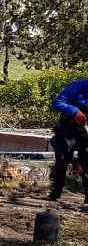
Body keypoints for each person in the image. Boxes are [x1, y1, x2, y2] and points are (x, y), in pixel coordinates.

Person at [49, 76, 88, 209]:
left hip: (86, 131)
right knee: (62, 159)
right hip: (68, 128)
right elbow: (57, 102)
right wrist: (75, 111)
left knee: (86, 160)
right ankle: (56, 191)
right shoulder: (77, 86)